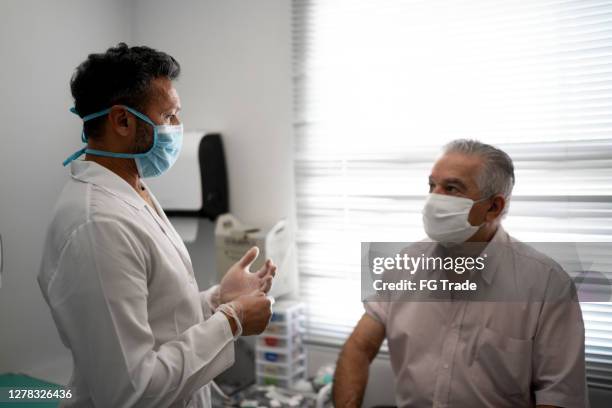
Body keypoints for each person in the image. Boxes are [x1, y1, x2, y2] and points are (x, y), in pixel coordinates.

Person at [38, 43, 276, 408]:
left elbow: (162, 319)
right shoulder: (98, 225)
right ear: (121, 120)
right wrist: (233, 321)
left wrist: (218, 299)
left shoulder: (132, 192)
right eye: (169, 117)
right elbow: (131, 391)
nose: (178, 129)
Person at [333, 139, 588, 408]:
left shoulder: (546, 285)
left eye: (452, 189)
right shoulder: (405, 265)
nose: (434, 199)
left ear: (494, 207)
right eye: (432, 186)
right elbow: (358, 347)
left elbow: (559, 397)